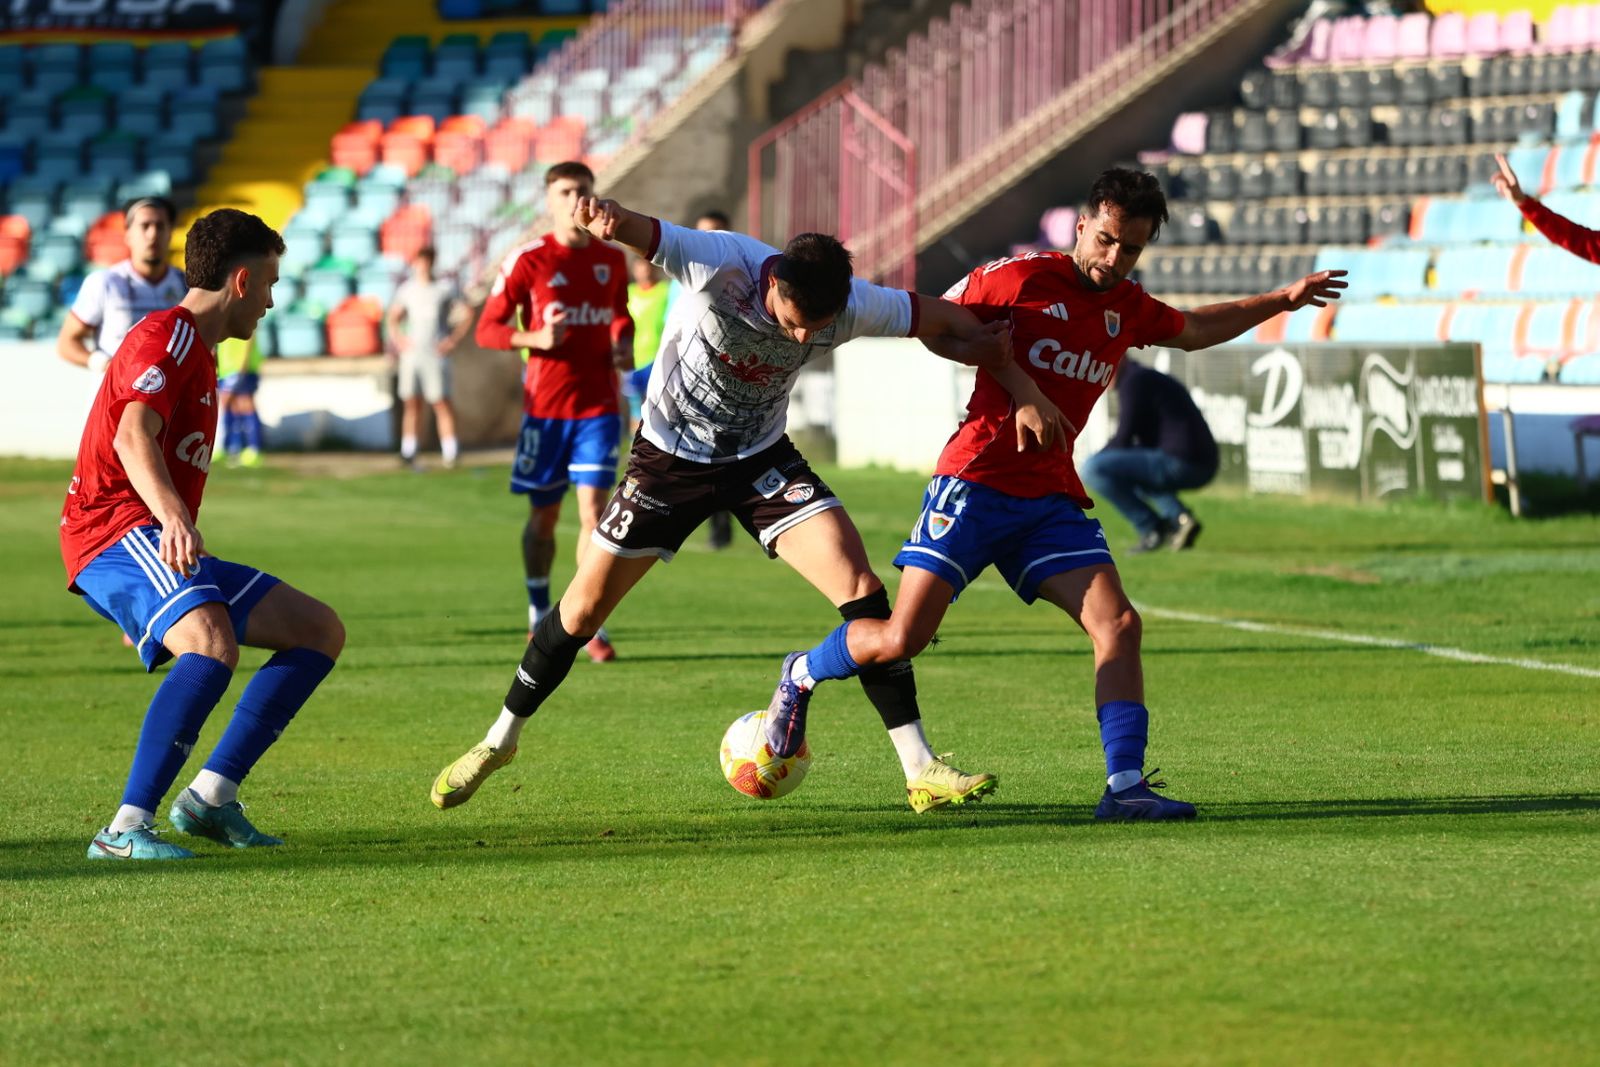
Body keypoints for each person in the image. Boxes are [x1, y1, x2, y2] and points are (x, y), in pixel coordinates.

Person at [430, 197, 1058, 814]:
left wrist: (1006, 368)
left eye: (821, 322)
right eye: (795, 316)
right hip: (668, 462)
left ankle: (920, 768)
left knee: (865, 591)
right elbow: (642, 231)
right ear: (776, 278)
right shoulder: (721, 262)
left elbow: (946, 321)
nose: (806, 334)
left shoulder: (855, 302)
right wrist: (607, 218)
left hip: (761, 462)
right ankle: (498, 741)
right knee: (582, 610)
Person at [763, 167, 1346, 821]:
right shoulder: (1017, 278)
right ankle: (802, 672)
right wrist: (1021, 388)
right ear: (1082, 224)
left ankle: (1125, 786)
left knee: (1119, 624)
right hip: (976, 480)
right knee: (903, 637)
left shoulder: (1128, 306)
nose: (1114, 259)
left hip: (1048, 499)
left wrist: (1282, 300)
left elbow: (1197, 328)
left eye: (1131, 248)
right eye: (1106, 240)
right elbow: (939, 328)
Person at [61, 208, 346, 861]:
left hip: (148, 531)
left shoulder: (201, 351)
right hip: (111, 528)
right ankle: (123, 830)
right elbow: (134, 434)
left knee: (318, 629)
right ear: (241, 281)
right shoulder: (170, 336)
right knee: (211, 643)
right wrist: (175, 518)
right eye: (270, 284)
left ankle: (210, 797)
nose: (273, 302)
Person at [475, 161, 634, 661]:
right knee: (544, 519)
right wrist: (535, 337)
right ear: (549, 200)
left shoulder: (611, 260)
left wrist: (622, 342)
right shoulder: (528, 261)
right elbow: (488, 329)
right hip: (545, 411)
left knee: (594, 514)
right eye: (565, 191)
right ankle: (536, 608)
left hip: (598, 407)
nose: (574, 199)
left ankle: (586, 622)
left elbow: (620, 315)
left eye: (583, 191)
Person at [1080, 359, 1218, 553]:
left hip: (1183, 461)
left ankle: (1152, 528)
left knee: (1092, 469)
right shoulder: (1142, 377)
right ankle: (1180, 518)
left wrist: (1092, 458)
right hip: (1200, 461)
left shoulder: (1134, 381)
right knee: (1130, 471)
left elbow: (1123, 438)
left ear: (1119, 360)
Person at [58, 197, 187, 377]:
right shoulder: (105, 282)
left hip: (170, 401)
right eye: (145, 226)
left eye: (160, 226)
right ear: (128, 235)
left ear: (170, 233)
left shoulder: (186, 285)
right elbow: (66, 343)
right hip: (115, 399)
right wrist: (105, 364)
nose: (153, 234)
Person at [387, 246, 471, 469]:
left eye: (427, 261)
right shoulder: (407, 290)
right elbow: (393, 317)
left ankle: (450, 450)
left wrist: (452, 340)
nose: (423, 266)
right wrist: (399, 340)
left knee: (441, 402)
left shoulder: (443, 288)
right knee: (412, 402)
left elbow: (467, 312)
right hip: (412, 355)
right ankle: (409, 449)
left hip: (435, 354)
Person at [624, 255, 669, 431]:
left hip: (657, 357)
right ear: (634, 270)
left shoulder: (665, 290)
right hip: (634, 359)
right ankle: (633, 450)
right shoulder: (629, 292)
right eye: (640, 267)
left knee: (658, 406)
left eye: (647, 266)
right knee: (635, 408)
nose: (645, 270)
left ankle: (657, 449)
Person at [216, 333, 265, 468]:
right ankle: (235, 447)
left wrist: (244, 363)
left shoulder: (242, 315)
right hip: (227, 368)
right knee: (232, 406)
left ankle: (254, 449)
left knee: (245, 403)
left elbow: (250, 336)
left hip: (241, 367)